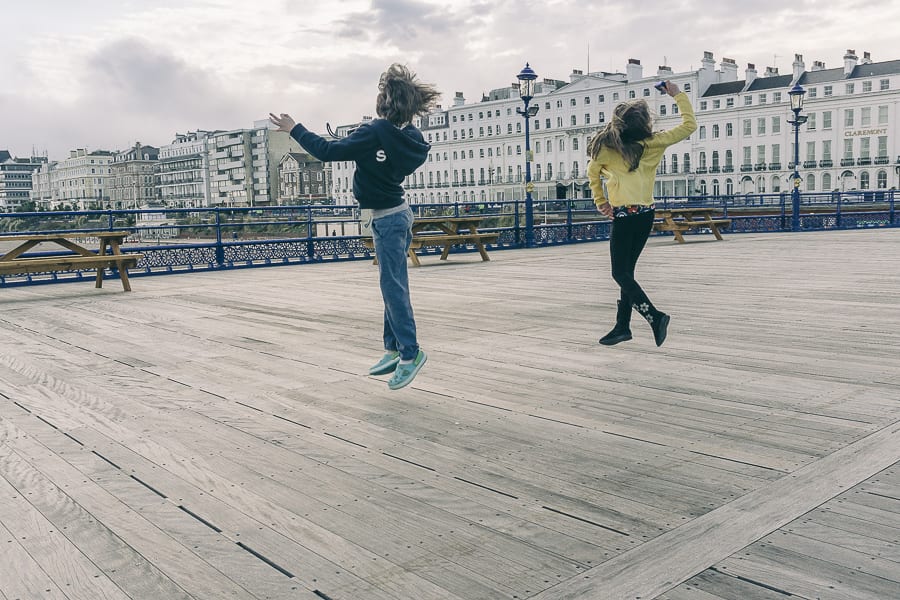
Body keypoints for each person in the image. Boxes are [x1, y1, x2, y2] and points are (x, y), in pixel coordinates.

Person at [269, 64, 439, 390]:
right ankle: (392, 349)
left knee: (394, 288)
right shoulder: (410, 138)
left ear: (384, 101)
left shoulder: (374, 133)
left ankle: (410, 354)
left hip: (387, 219)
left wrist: (295, 128)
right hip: (397, 214)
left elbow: (327, 151)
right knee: (390, 284)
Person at [587, 80, 696, 347]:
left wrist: (601, 201)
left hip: (624, 217)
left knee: (619, 273)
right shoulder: (654, 143)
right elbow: (689, 125)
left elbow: (592, 174)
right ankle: (622, 327)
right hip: (646, 215)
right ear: (644, 123)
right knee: (627, 273)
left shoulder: (605, 147)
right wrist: (677, 94)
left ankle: (654, 316)